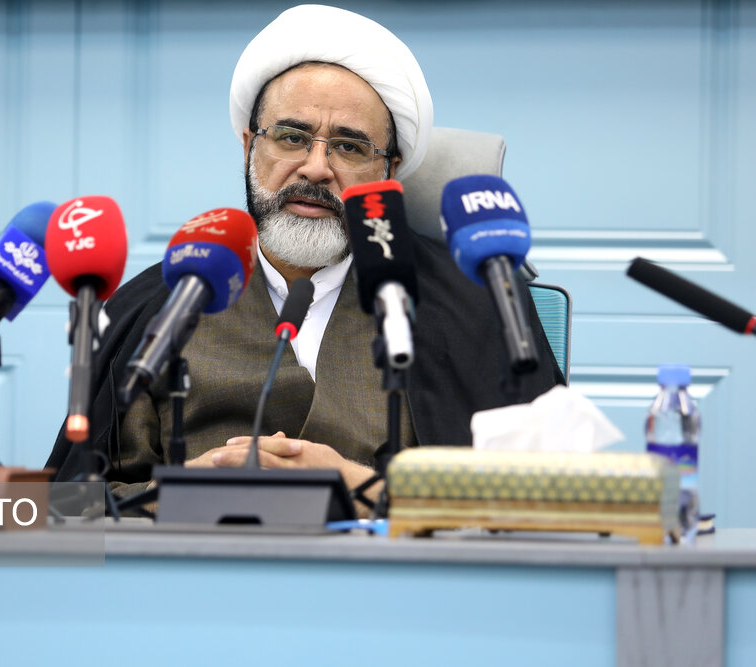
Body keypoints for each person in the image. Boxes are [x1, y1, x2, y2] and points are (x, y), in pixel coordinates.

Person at [45, 5, 564, 507]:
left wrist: (368, 491)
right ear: (248, 147)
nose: (315, 168)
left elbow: (553, 501)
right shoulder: (162, 303)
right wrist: (177, 493)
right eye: (291, 138)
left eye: (349, 146)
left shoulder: (471, 302)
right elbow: (59, 507)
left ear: (388, 170)